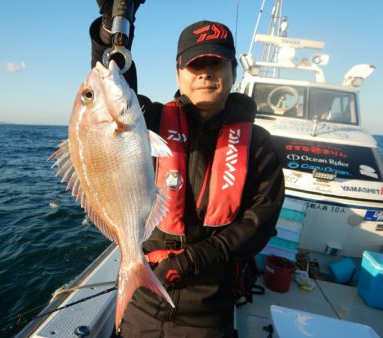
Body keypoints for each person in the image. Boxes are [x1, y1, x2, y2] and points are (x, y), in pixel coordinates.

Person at [91, 2, 285, 337]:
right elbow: (110, 92)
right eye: (196, 65)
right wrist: (112, 31)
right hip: (142, 300)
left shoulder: (259, 144)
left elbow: (259, 225)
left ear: (233, 73)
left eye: (217, 63)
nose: (206, 73)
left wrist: (192, 261)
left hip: (208, 311)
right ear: (179, 73)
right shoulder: (148, 120)